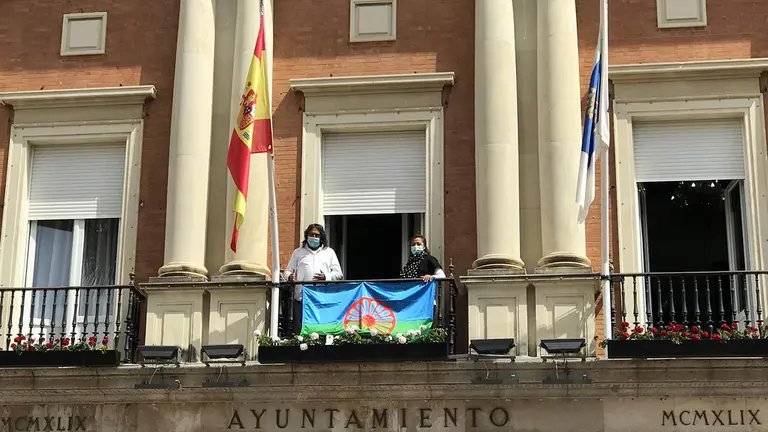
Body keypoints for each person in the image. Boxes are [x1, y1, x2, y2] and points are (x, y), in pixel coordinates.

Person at [284, 223, 343, 334]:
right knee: (300, 331)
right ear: (307, 236)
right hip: (301, 298)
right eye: (312, 235)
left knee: (321, 330)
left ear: (321, 238)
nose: (314, 237)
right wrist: (290, 277)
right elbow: (287, 271)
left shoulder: (329, 252)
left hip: (322, 299)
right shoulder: (298, 252)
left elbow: (338, 273)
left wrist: (326, 277)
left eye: (317, 235)